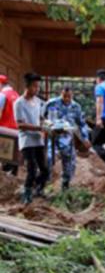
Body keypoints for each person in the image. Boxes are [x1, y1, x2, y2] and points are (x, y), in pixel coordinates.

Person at [43, 86, 91, 191]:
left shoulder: (76, 107)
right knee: (48, 160)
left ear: (72, 95)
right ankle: (44, 185)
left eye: (69, 96)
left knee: (69, 164)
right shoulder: (52, 103)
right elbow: (42, 118)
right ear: (61, 93)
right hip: (53, 138)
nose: (67, 99)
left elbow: (82, 124)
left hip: (68, 139)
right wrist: (46, 127)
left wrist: (85, 138)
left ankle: (65, 187)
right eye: (64, 96)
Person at [14, 72, 49, 204]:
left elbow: (41, 118)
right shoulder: (19, 103)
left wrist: (47, 125)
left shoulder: (38, 101)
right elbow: (20, 124)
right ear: (27, 87)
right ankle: (27, 194)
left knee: (45, 170)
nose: (37, 89)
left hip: (38, 139)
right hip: (27, 140)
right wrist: (38, 128)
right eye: (34, 86)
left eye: (38, 86)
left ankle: (38, 189)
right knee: (32, 169)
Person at [0, 74, 19, 175]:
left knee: (4, 156)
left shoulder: (2, 95)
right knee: (13, 158)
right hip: (16, 130)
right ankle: (12, 182)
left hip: (5, 130)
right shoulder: (15, 94)